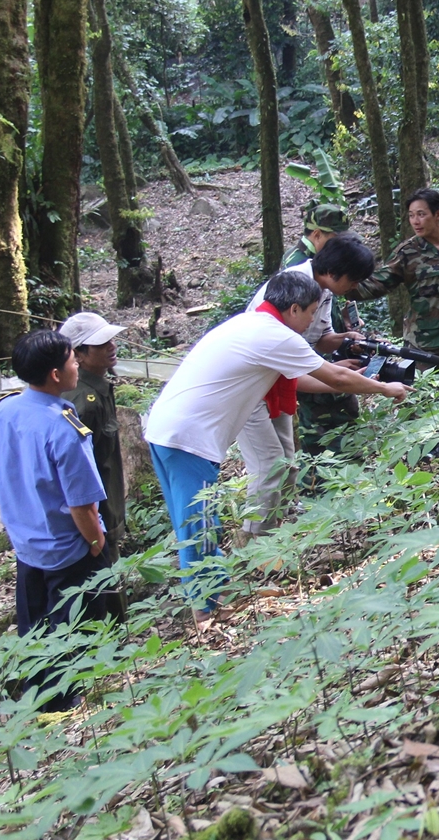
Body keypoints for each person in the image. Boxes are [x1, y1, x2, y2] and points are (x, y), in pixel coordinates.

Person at [143, 271, 408, 622]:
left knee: (196, 521)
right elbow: (337, 375)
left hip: (168, 429)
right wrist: (386, 389)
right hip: (188, 439)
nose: (315, 320)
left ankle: (211, 599)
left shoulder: (251, 324)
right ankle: (205, 614)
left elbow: (300, 379)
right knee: (199, 524)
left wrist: (363, 383)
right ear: (294, 309)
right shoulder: (275, 334)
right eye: (312, 311)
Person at [0, 330, 111, 711]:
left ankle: (39, 700)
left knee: (34, 625)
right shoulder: (62, 426)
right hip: (67, 548)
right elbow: (82, 504)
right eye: (73, 359)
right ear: (56, 374)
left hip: (26, 543)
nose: (77, 365)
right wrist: (95, 542)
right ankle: (63, 706)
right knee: (71, 627)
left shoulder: (4, 411)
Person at [235, 236, 373, 534]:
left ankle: (279, 531)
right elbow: (290, 354)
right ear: (335, 273)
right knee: (268, 465)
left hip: (279, 381)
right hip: (255, 384)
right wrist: (353, 380)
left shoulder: (323, 290)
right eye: (354, 280)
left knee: (286, 460)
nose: (354, 287)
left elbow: (316, 339)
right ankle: (253, 539)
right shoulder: (294, 288)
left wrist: (345, 339)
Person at [350, 188, 439, 372]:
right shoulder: (408, 252)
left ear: (438, 214)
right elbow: (378, 283)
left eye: (421, 214)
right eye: (411, 215)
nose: (415, 221)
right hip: (422, 346)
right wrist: (342, 286)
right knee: (424, 396)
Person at [58, 312, 130, 617]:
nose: (112, 346)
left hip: (108, 502)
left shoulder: (99, 386)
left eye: (111, 339)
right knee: (104, 579)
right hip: (94, 510)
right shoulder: (81, 402)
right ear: (80, 355)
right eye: (101, 343)